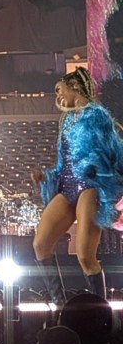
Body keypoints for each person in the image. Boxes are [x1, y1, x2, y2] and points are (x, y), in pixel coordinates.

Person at [31, 68, 123, 303]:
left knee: (85, 256)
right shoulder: (66, 122)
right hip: (68, 186)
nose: (58, 98)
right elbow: (64, 165)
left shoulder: (96, 114)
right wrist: (46, 178)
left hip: (91, 185)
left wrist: (97, 167)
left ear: (74, 87)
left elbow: (112, 150)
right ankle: (61, 307)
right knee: (41, 245)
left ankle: (99, 310)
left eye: (60, 91)